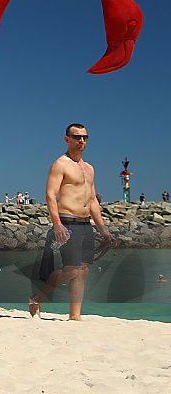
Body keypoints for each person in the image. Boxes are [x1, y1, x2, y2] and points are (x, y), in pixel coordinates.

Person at [30, 123, 116, 321]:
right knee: (72, 269)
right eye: (77, 137)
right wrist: (57, 224)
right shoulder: (60, 164)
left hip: (86, 223)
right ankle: (38, 297)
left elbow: (92, 200)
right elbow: (51, 195)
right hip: (68, 222)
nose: (81, 141)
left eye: (85, 137)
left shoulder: (89, 169)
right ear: (67, 139)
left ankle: (74, 315)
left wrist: (103, 230)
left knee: (83, 270)